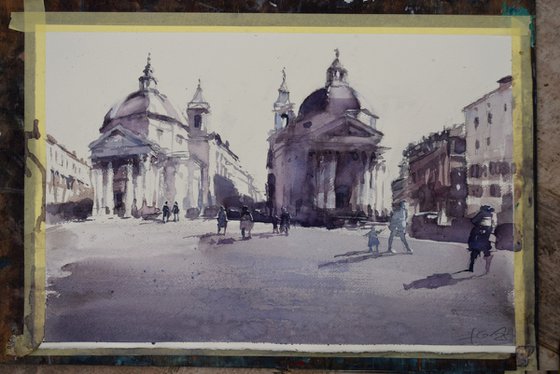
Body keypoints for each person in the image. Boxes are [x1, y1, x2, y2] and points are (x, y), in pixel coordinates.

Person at [467, 205, 497, 273]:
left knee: (475, 246)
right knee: (484, 246)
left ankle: (471, 267)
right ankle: (487, 259)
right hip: (486, 233)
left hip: (479, 232)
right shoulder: (490, 215)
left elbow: (474, 221)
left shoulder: (482, 213)